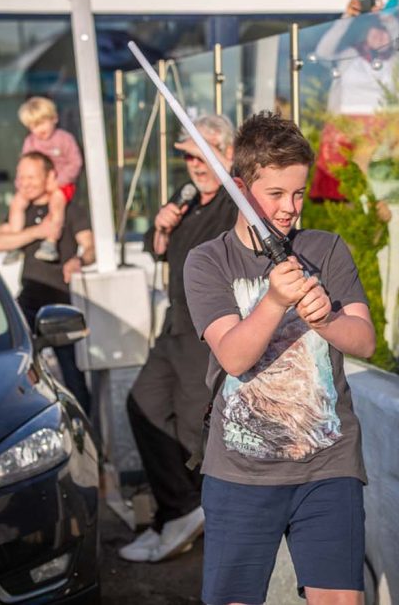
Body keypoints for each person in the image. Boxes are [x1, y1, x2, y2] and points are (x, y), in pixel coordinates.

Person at [183, 112, 376, 605]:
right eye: (275, 194)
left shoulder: (326, 250)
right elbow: (233, 356)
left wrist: (325, 319)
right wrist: (273, 302)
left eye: (298, 193)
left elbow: (364, 341)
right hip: (239, 471)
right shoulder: (208, 261)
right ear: (241, 189)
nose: (290, 208)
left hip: (328, 465)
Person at [119, 115, 238, 563]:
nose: (195, 165)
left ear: (227, 153)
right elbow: (158, 251)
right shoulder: (186, 197)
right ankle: (179, 510)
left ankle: (193, 519)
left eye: (204, 154)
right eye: (189, 156)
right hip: (174, 325)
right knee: (142, 404)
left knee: (192, 424)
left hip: (208, 328)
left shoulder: (234, 199)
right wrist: (161, 228)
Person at [0, 152, 95, 411]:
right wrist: (38, 232)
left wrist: (79, 261)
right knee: (15, 364)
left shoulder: (70, 209)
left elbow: (91, 248)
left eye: (31, 177)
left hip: (61, 305)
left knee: (72, 374)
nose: (24, 183)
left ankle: (84, 422)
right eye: (20, 177)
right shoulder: (22, 211)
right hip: (28, 302)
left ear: (50, 177)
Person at [310, 0, 397, 203]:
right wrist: (347, 18)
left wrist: (387, 17)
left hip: (379, 130)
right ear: (365, 31)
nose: (379, 35)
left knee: (371, 190)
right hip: (342, 129)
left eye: (384, 31)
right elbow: (323, 52)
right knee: (338, 193)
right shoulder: (350, 54)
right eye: (375, 29)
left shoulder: (396, 60)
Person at [5, 97, 84, 263]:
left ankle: (50, 242)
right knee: (17, 203)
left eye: (42, 123)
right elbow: (24, 166)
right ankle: (16, 242)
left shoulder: (64, 139)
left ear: (54, 118)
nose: (39, 129)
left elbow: (75, 163)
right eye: (33, 126)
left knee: (57, 203)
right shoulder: (30, 142)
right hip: (38, 186)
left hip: (60, 185)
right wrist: (22, 186)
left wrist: (59, 181)